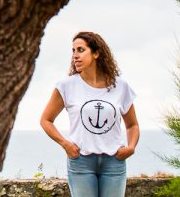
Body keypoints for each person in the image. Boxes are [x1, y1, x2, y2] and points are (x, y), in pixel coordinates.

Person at [40, 31, 140, 197]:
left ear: (96, 53)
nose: (75, 56)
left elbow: (132, 125)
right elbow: (46, 120)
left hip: (114, 161)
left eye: (80, 50)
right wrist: (65, 144)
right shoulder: (66, 85)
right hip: (81, 161)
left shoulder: (120, 86)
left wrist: (131, 147)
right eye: (73, 51)